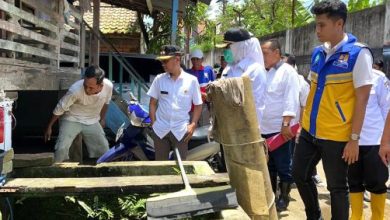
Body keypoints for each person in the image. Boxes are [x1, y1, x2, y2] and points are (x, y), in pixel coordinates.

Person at [292, 1, 374, 219]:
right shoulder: (318, 53)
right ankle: (314, 215)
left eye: (322, 25)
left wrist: (354, 139)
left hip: (337, 136)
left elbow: (362, 100)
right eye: (316, 25)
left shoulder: (358, 55)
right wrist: (302, 124)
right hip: (310, 130)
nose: (317, 30)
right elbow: (311, 91)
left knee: (337, 188)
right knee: (299, 174)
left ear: (339, 23)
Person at [261, 39, 300, 211]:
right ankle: (271, 195)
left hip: (280, 129)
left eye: (265, 53)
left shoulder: (287, 71)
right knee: (269, 165)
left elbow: (290, 99)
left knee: (284, 165)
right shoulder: (264, 72)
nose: (262, 56)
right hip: (263, 128)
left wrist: (286, 124)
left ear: (276, 53)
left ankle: (284, 198)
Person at [44, 65, 112, 162]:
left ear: (100, 86)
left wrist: (102, 118)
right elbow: (60, 108)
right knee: (61, 148)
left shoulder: (108, 87)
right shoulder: (75, 90)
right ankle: (58, 170)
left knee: (104, 148)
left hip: (92, 120)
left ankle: (104, 172)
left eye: (91, 88)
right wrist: (49, 126)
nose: (87, 90)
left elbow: (106, 103)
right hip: (71, 118)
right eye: (85, 86)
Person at [147, 45, 202, 160]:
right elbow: (152, 103)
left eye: (165, 61)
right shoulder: (159, 79)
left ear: (177, 59)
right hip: (161, 130)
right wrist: (153, 123)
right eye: (162, 61)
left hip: (181, 130)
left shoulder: (191, 81)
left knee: (179, 167)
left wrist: (193, 124)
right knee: (160, 168)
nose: (163, 64)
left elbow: (198, 105)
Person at [348, 67, 389, 220]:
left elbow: (387, 109)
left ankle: (377, 217)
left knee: (377, 182)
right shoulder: (343, 76)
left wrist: (386, 142)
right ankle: (356, 215)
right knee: (353, 181)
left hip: (375, 140)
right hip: (350, 142)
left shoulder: (378, 78)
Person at [220, 27, 267, 130]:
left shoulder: (255, 70)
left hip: (246, 129)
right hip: (227, 126)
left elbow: (257, 105)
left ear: (240, 46)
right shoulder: (227, 69)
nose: (225, 51)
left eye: (228, 46)